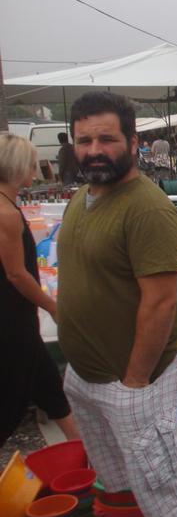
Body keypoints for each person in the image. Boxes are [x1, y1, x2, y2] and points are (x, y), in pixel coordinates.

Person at [56, 92, 177, 517]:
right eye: (84, 140)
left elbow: (161, 301)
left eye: (106, 138)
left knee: (172, 477)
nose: (94, 149)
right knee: (142, 475)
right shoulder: (83, 197)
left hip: (145, 374)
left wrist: (136, 379)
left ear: (133, 141)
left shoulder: (146, 208)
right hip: (91, 373)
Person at [0, 135, 78, 447]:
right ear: (18, 167)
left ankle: (86, 456)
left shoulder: (7, 206)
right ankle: (86, 455)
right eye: (31, 166)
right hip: (12, 319)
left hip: (15, 318)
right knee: (12, 398)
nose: (35, 172)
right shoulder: (5, 213)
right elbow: (17, 274)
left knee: (47, 385)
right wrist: (52, 306)